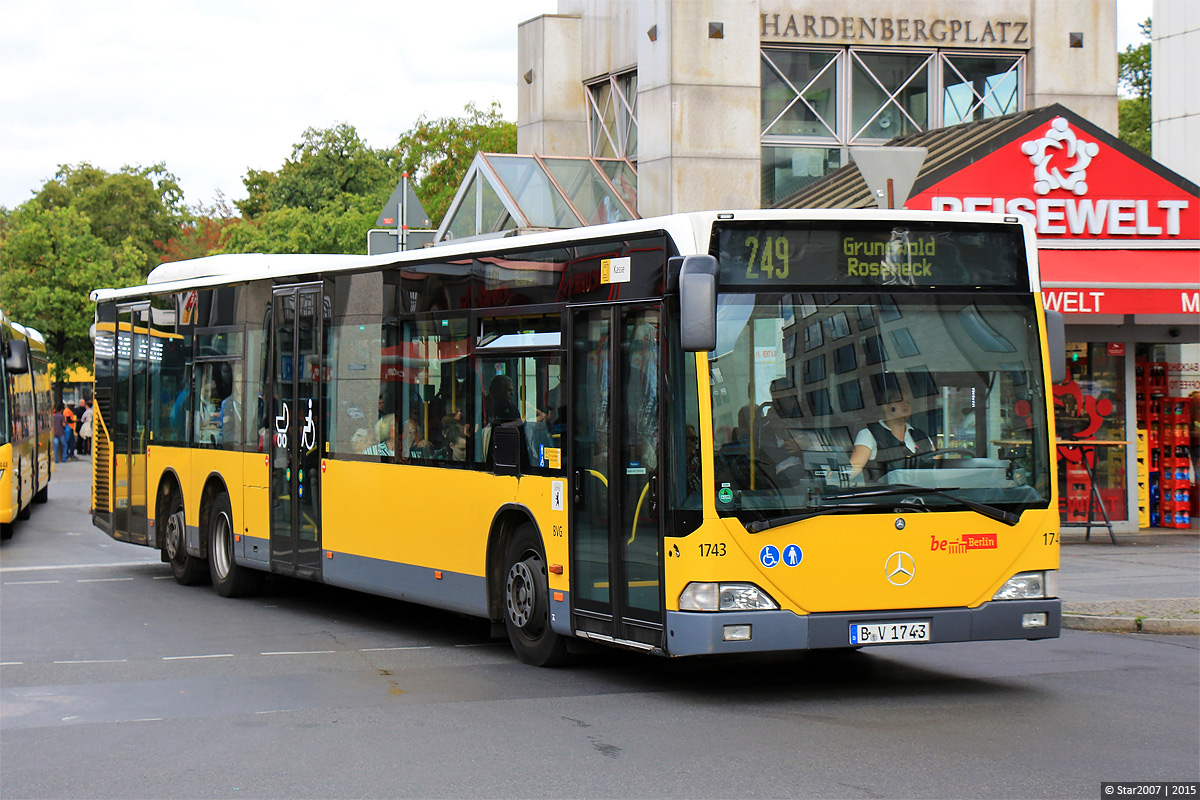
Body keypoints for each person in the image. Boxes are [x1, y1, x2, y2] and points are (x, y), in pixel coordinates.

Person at [849, 389, 935, 481]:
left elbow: (937, 469)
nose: (905, 404)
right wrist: (835, 478)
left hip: (924, 494)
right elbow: (854, 468)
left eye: (908, 402)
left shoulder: (922, 436)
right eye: (899, 400)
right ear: (885, 406)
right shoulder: (868, 434)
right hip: (886, 494)